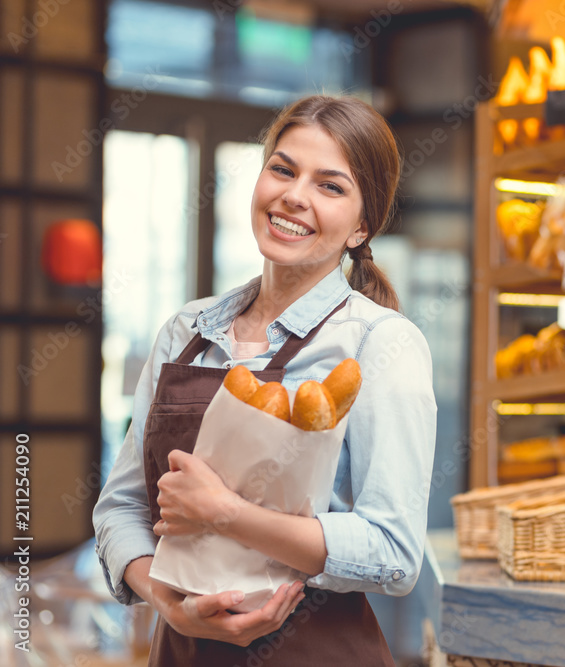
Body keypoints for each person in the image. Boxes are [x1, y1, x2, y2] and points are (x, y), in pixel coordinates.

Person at [93, 95, 437, 665]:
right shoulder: (186, 330)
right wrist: (166, 599)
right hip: (181, 651)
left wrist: (225, 513)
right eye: (282, 169)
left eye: (330, 186)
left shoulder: (380, 343)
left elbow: (395, 552)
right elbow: (123, 507)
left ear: (361, 226)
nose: (294, 196)